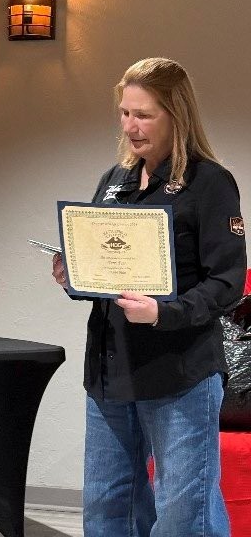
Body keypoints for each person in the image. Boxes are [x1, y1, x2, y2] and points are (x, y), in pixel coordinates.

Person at [52, 57, 247, 536]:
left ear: (176, 115)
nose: (130, 126)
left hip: (180, 373)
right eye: (125, 113)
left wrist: (164, 313)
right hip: (111, 371)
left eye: (144, 115)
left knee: (183, 516)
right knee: (106, 509)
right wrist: (75, 274)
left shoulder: (210, 184)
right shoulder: (114, 181)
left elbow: (226, 282)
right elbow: (107, 270)